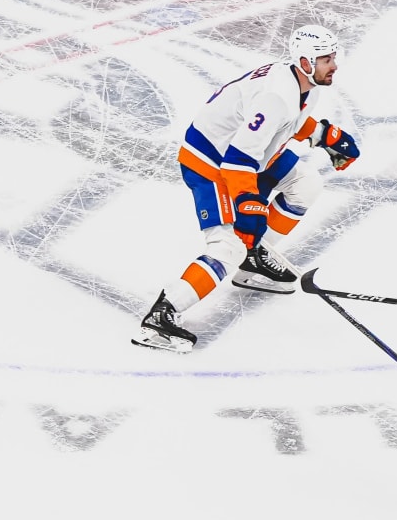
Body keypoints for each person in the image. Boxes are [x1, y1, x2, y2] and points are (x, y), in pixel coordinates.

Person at [132, 25, 361, 352]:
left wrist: (325, 135)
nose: (334, 65)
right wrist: (248, 201)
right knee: (229, 246)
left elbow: (288, 122)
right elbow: (237, 159)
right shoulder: (275, 96)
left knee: (306, 183)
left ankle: (253, 257)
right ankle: (162, 314)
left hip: (251, 156)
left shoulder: (306, 86)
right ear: (305, 62)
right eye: (326, 59)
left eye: (333, 57)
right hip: (212, 163)